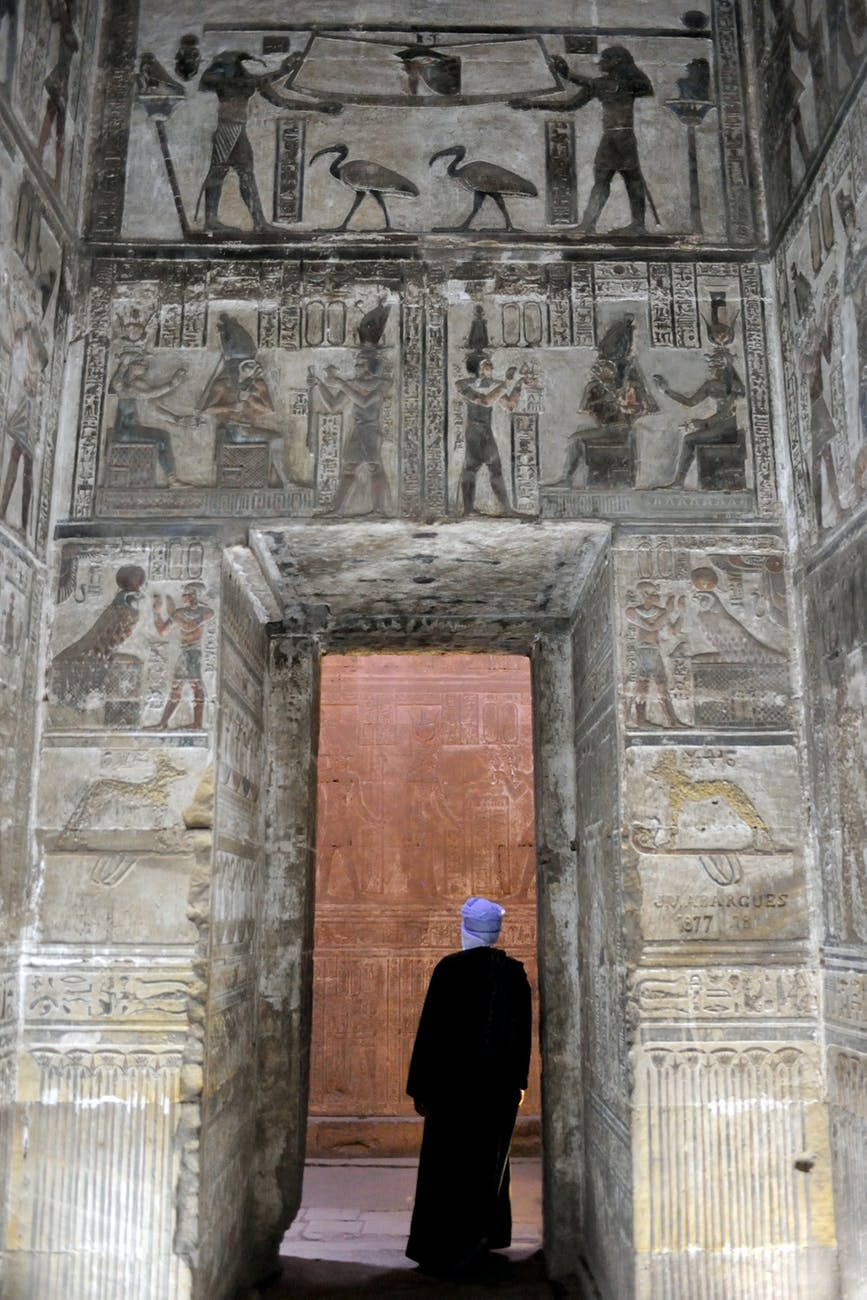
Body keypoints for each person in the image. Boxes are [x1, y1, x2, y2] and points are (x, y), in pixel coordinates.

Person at [405, 896, 532, 1278]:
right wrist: (519, 1085)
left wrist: (420, 1089)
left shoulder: (450, 970)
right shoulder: (514, 973)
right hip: (497, 1092)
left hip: (452, 1093)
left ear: (465, 929)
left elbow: (430, 1034)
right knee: (486, 1167)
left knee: (446, 1168)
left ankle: (442, 1248)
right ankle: (480, 1241)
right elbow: (522, 1037)